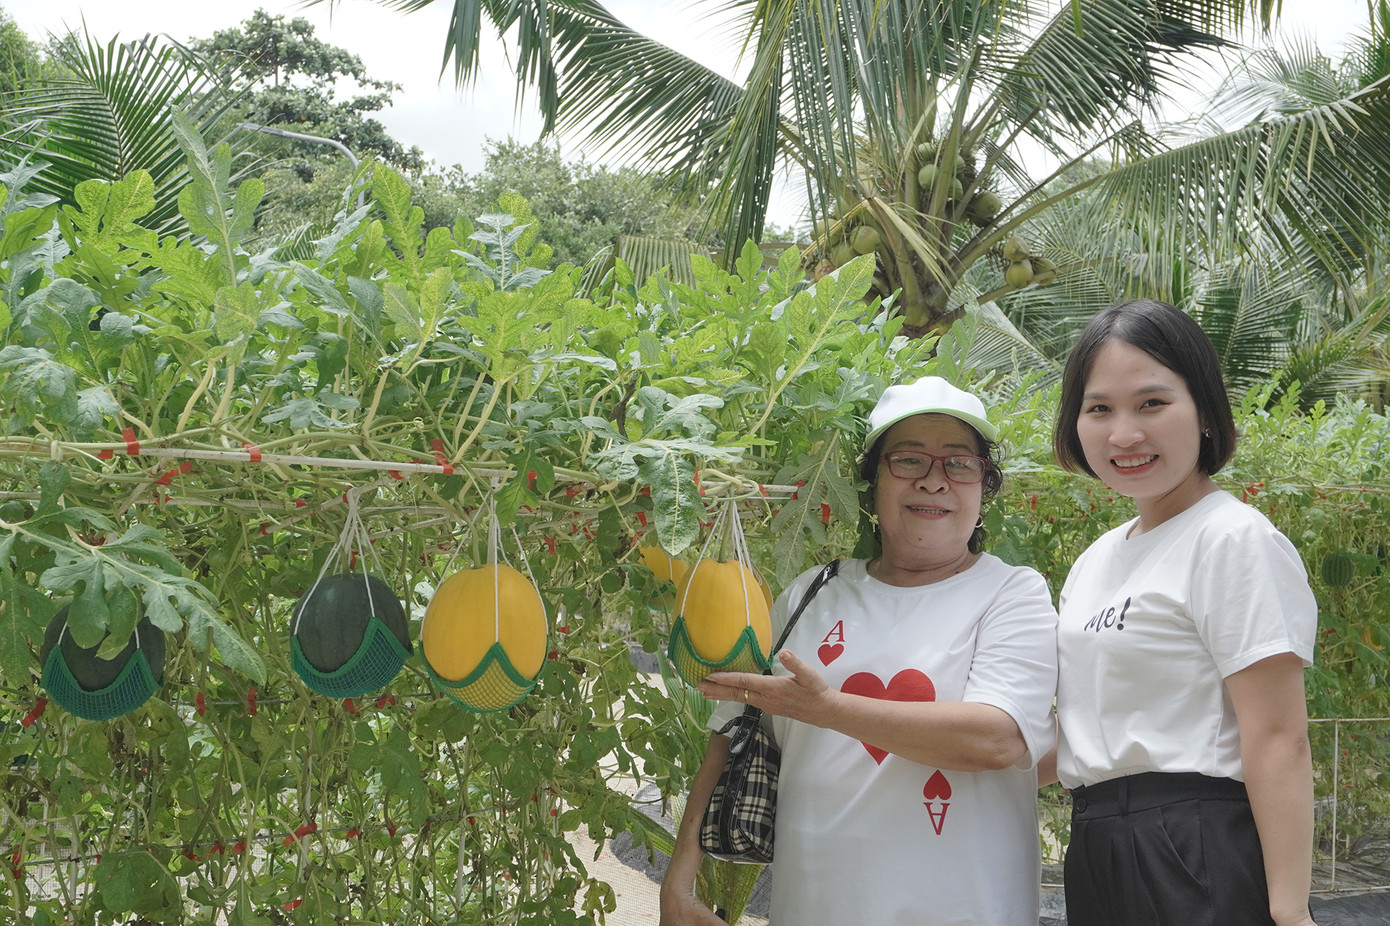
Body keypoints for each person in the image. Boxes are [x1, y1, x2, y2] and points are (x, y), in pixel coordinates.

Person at [659, 376, 1058, 926]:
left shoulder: (1012, 593)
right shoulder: (810, 593)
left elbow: (996, 738)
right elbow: (730, 731)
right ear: (872, 482)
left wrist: (828, 710)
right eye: (909, 460)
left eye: (959, 463)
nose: (935, 482)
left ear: (984, 486)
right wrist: (678, 880)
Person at [1048, 299, 1318, 926]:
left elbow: (1278, 735)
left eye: (1151, 403)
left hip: (1192, 843)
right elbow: (1087, 728)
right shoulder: (1094, 563)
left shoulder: (1231, 539)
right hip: (1095, 841)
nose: (1124, 434)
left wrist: (1289, 910)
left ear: (1203, 411)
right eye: (1099, 409)